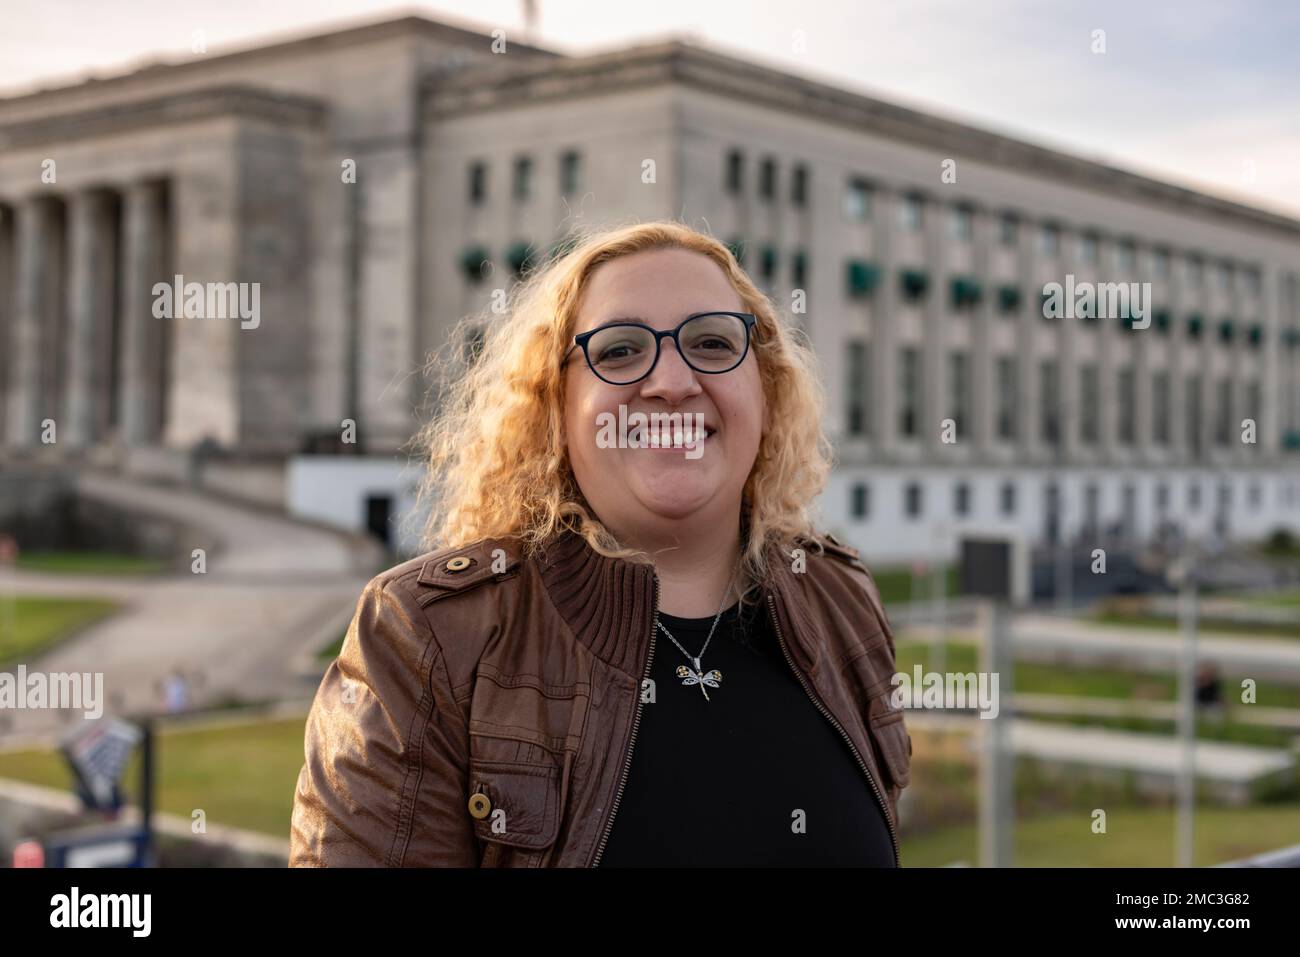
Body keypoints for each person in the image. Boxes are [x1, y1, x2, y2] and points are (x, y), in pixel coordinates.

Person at [289, 220, 910, 867]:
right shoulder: (429, 637)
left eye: (711, 341)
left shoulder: (840, 597)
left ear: (766, 387)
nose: (672, 381)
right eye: (618, 350)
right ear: (556, 403)